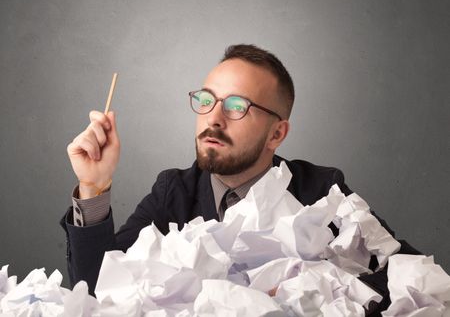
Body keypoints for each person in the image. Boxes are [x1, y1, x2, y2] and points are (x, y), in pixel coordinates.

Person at [61, 44, 418, 314]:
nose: (214, 118)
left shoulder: (320, 192)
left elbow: (407, 275)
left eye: (236, 107)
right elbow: (97, 289)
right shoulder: (173, 193)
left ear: (276, 134)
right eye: (206, 100)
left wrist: (312, 290)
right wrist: (94, 187)